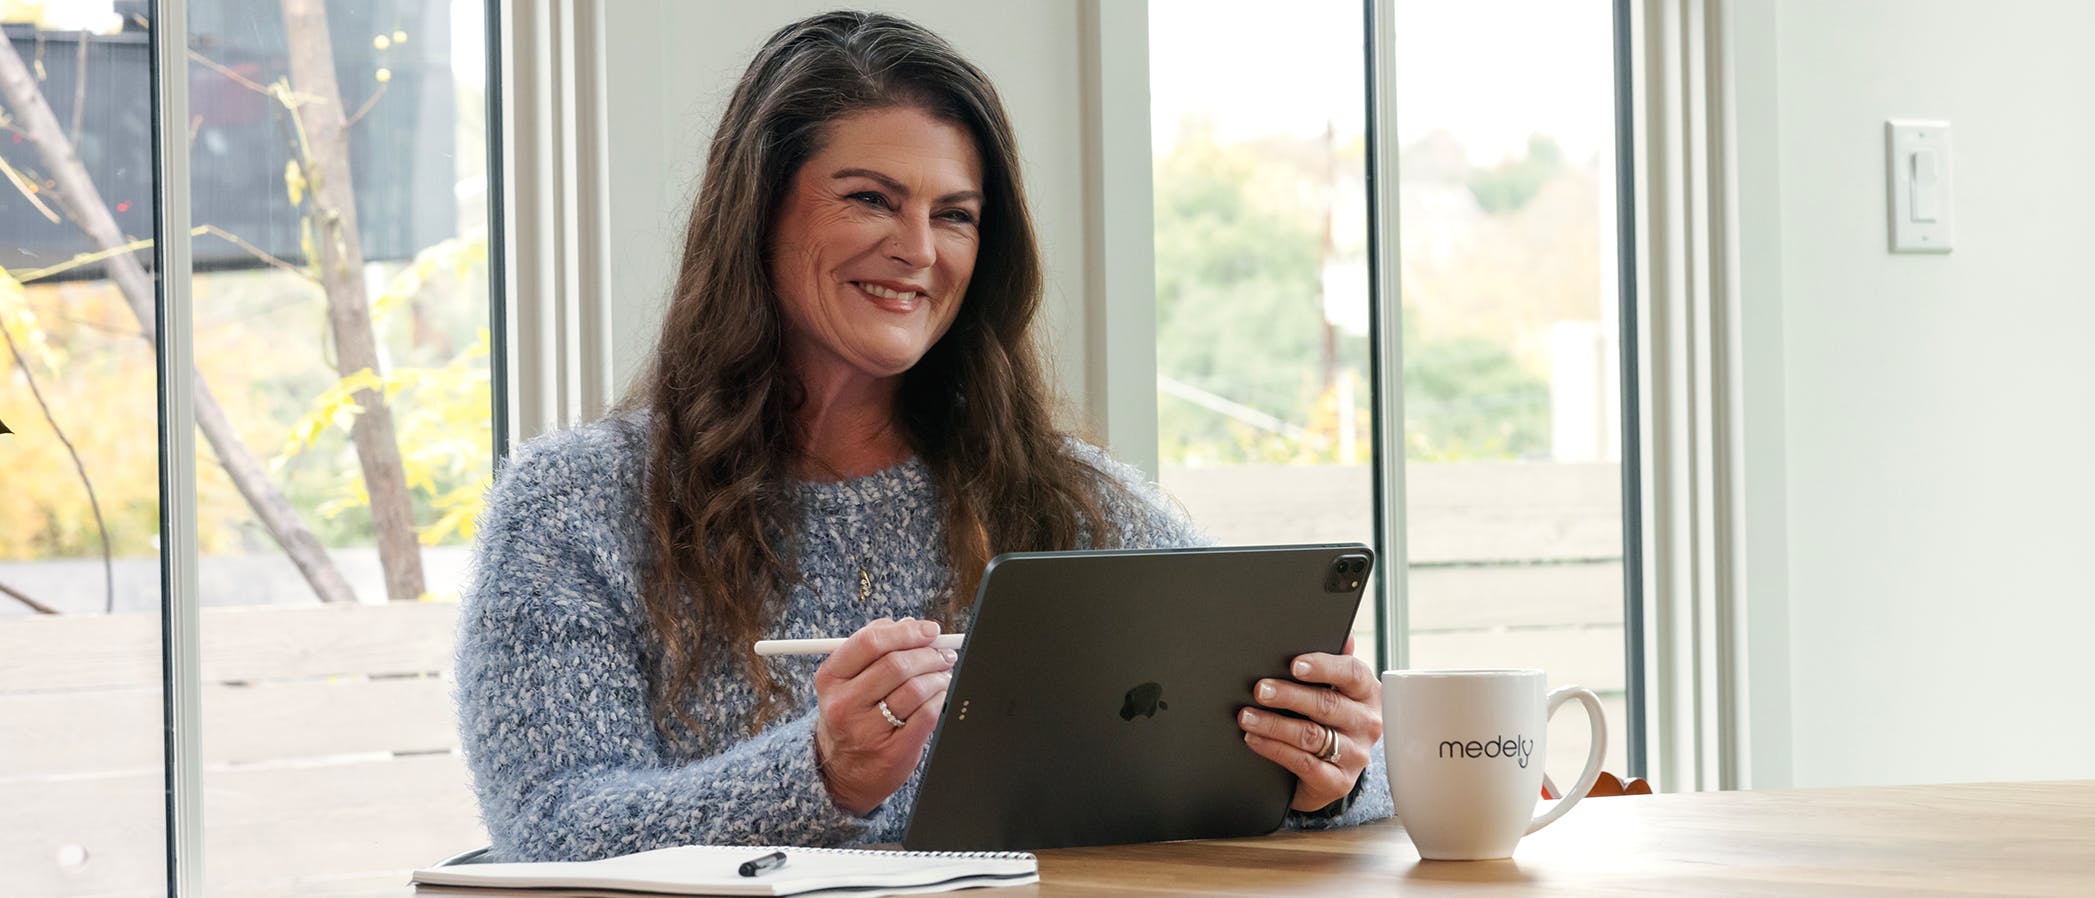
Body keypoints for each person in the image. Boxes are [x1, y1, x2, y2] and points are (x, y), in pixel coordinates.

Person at [455, 10, 1390, 862]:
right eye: (869, 198)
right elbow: (549, 827)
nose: (919, 249)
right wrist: (820, 774)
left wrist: (1323, 771)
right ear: (757, 209)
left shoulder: (1068, 501)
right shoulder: (574, 507)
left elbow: (1358, 778)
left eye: (955, 216)